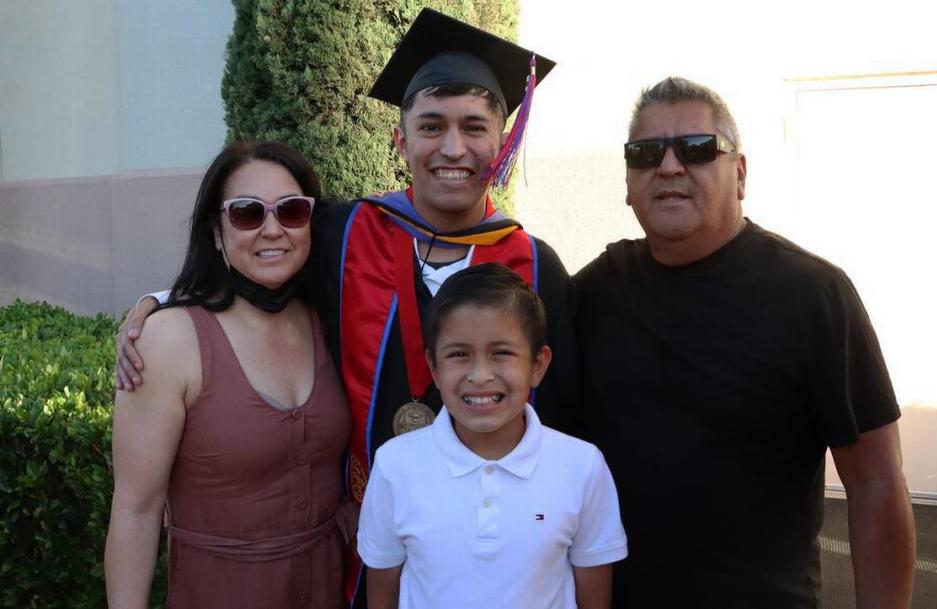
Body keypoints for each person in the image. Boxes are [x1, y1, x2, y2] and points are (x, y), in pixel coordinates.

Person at [112, 9, 578, 605]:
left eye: (474, 127)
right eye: (431, 126)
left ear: (502, 139)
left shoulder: (538, 271)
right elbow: (260, 268)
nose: (452, 148)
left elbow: (562, 427)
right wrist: (161, 301)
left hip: (491, 559)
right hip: (359, 559)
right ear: (400, 138)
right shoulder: (344, 233)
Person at [575, 76, 916, 608]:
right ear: (627, 180)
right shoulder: (596, 291)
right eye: (645, 153)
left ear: (739, 174)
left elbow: (875, 482)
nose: (668, 166)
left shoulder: (814, 295)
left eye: (696, 149)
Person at [104, 141, 351, 609]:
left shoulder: (330, 318)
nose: (272, 229)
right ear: (216, 232)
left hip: (329, 588)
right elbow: (136, 510)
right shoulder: (169, 341)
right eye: (246, 213)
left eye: (292, 211)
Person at [358, 263, 626, 609]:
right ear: (434, 368)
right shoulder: (395, 465)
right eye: (459, 354)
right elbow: (383, 585)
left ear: (538, 365)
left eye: (502, 353)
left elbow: (593, 590)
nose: (480, 375)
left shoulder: (582, 466)